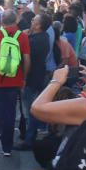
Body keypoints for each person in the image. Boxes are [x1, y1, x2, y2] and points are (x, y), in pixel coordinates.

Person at [0, 10, 31, 156]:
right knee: (10, 114)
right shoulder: (22, 36)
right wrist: (24, 78)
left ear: (2, 19)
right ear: (16, 20)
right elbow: (27, 59)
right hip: (14, 81)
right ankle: (7, 147)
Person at [15, 14, 51, 151]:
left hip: (31, 78)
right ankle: (29, 134)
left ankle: (29, 139)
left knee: (31, 110)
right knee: (31, 109)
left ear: (38, 26)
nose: (31, 22)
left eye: (34, 20)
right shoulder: (43, 37)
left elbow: (25, 56)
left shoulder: (36, 40)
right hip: (36, 77)